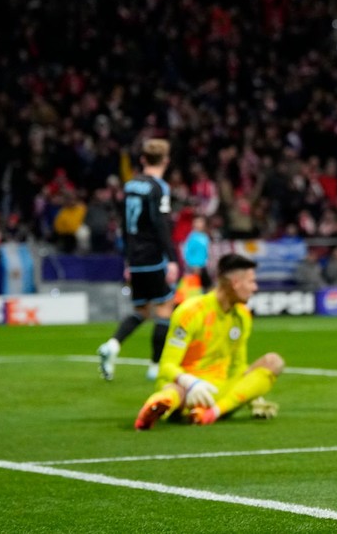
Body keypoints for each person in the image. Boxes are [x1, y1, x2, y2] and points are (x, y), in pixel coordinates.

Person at [134, 253, 283, 429]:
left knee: (274, 362)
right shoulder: (191, 312)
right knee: (173, 391)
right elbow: (166, 365)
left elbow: (238, 367)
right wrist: (191, 383)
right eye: (251, 281)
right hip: (187, 387)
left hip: (219, 387)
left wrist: (253, 395)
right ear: (235, 283)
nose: (255, 288)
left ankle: (210, 412)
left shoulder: (242, 316)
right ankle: (156, 408)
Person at [97, 138, 181, 382]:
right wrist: (172, 259)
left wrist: (127, 260)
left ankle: (113, 345)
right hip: (154, 255)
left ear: (143, 159)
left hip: (135, 256)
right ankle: (155, 366)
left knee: (142, 310)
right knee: (165, 309)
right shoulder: (159, 187)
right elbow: (161, 224)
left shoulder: (130, 185)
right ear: (166, 161)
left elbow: (124, 225)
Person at [183, 214, 212, 289]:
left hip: (203, 265)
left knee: (205, 285)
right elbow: (187, 251)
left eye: (201, 222)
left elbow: (206, 250)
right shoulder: (192, 237)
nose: (199, 224)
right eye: (197, 222)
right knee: (196, 285)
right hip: (195, 265)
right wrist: (192, 264)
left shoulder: (205, 236)